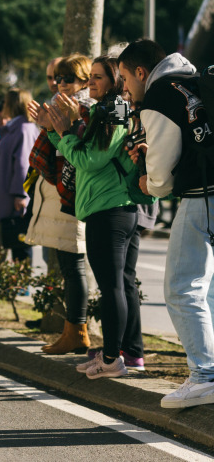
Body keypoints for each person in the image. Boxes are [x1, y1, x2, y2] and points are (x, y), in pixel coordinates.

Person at [118, 40, 214, 407]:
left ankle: (204, 375)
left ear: (141, 72)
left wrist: (149, 183)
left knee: (182, 288)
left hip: (201, 197)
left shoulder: (159, 93)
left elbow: (160, 176)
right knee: (208, 291)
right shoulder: (192, 78)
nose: (125, 89)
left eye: (125, 79)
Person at [45, 60, 145, 380]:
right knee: (110, 285)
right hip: (105, 208)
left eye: (98, 77)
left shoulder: (115, 108)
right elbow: (80, 152)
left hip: (112, 210)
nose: (91, 82)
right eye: (90, 77)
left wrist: (63, 131)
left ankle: (115, 357)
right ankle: (112, 353)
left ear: (115, 80)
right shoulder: (104, 109)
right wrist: (53, 129)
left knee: (112, 286)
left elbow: (91, 160)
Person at [25, 54, 96, 355]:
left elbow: (73, 149)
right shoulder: (62, 106)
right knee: (69, 266)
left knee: (73, 265)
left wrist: (52, 127)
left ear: (84, 81)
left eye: (69, 79)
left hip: (71, 193)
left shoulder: (84, 108)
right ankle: (73, 331)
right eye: (58, 78)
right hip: (59, 195)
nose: (60, 83)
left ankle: (77, 331)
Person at [0, 89, 40, 262]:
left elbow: (23, 164)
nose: (3, 106)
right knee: (14, 240)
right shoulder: (16, 128)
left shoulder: (23, 129)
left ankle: (21, 287)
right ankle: (18, 285)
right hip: (11, 193)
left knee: (20, 241)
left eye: (5, 102)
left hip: (17, 197)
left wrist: (21, 194)